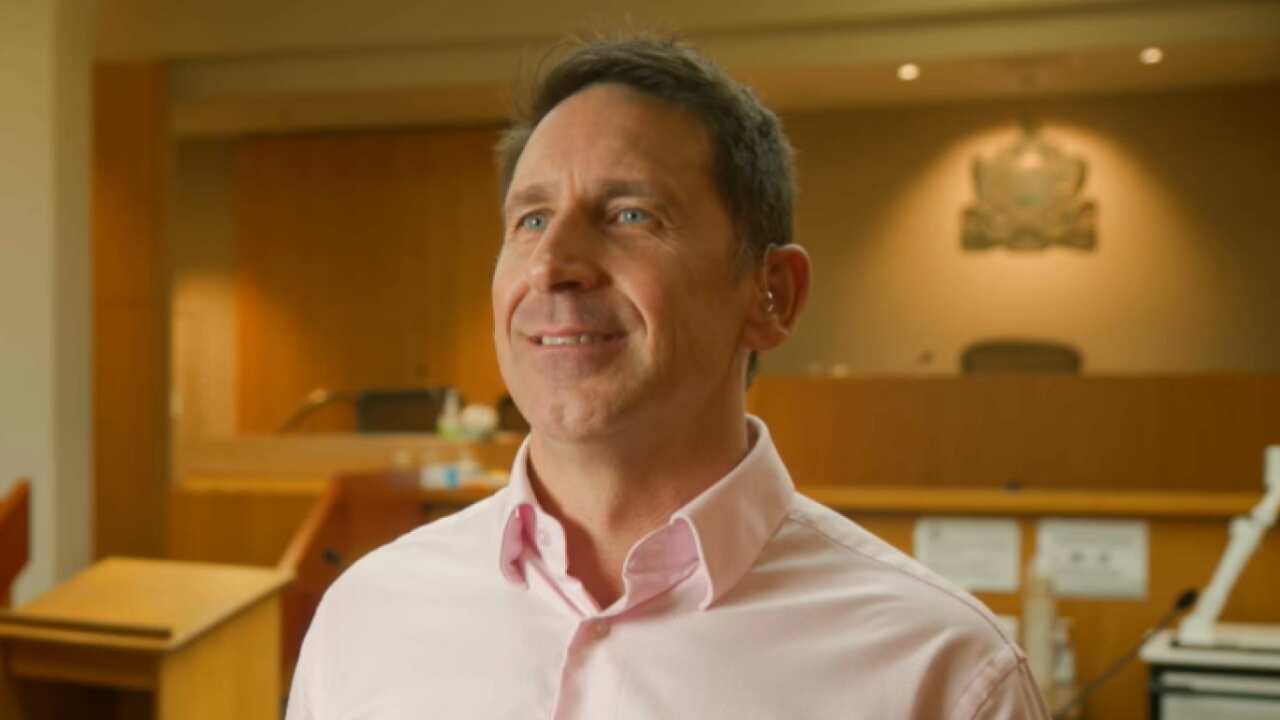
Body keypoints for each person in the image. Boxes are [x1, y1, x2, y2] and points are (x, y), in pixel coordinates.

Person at [287, 35, 1050, 719]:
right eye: (530, 219)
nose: (553, 265)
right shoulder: (368, 615)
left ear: (771, 294)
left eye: (629, 215)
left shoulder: (942, 674)